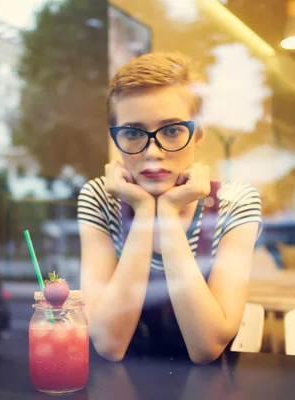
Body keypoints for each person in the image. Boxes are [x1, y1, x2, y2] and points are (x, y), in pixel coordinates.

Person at [77, 52, 262, 364]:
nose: (153, 152)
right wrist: (146, 212)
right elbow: (108, 343)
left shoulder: (236, 202)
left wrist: (168, 214)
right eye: (134, 133)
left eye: (172, 131)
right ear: (116, 139)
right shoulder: (100, 197)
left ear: (197, 135)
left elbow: (207, 347)